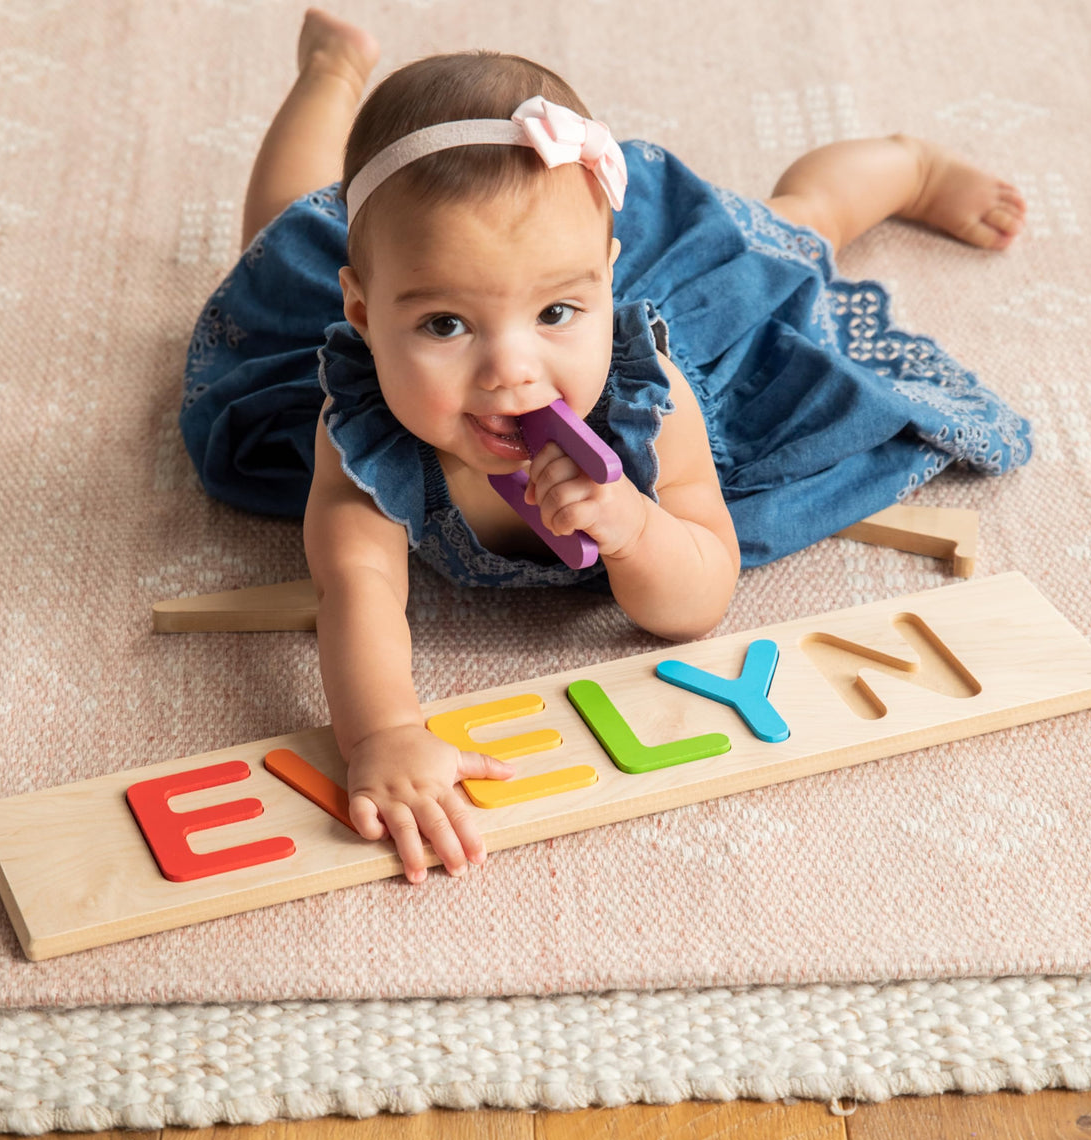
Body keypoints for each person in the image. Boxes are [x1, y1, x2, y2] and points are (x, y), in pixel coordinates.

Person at [181, 8, 1032, 884]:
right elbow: (354, 586)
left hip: (699, 333)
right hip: (374, 290)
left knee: (794, 229)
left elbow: (699, 596)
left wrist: (636, 528)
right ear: (364, 316)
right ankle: (330, 74)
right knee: (285, 239)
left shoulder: (650, 407)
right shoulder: (359, 429)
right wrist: (385, 734)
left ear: (606, 281)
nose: (511, 372)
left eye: (557, 313)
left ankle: (905, 163)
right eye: (445, 323)